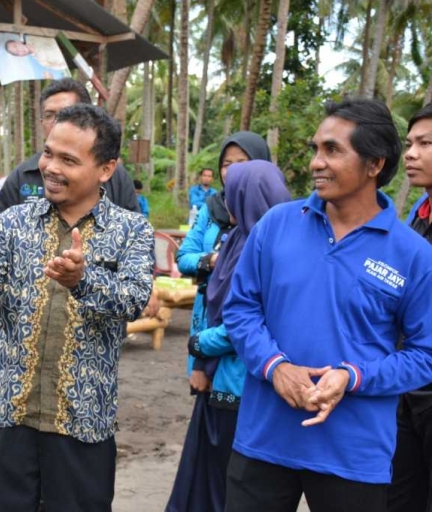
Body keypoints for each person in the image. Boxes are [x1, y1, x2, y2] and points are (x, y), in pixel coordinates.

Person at [222, 98, 432, 512]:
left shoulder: (413, 254)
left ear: (375, 164)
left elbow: (425, 356)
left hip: (354, 456)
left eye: (333, 150)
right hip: (264, 441)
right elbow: (241, 308)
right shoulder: (276, 225)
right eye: (316, 148)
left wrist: (353, 377)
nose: (317, 162)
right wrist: (275, 367)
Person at [0, 104, 154, 511]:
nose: (51, 168)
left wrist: (82, 280)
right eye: (48, 153)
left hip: (82, 419)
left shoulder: (132, 230)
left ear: (106, 169)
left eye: (68, 160)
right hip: (8, 412)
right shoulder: (14, 222)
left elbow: (133, 300)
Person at [165, 161, 290, 512]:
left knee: (229, 480)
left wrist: (199, 346)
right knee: (206, 475)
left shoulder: (265, 250)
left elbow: (245, 322)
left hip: (242, 385)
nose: (227, 201)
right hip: (220, 376)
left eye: (234, 194)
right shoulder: (235, 239)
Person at [176, 132, 270, 401]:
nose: (233, 171)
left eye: (242, 162)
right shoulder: (212, 207)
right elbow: (184, 257)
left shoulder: (270, 216)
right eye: (227, 164)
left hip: (237, 342)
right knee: (205, 402)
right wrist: (213, 260)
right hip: (206, 317)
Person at [0, 78, 139, 220]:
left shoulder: (116, 178)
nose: (58, 123)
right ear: (41, 122)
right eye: (49, 115)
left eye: (68, 114)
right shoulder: (21, 177)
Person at [388, 103, 432, 512]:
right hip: (412, 386)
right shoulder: (419, 215)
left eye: (425, 144)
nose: (411, 154)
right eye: (409, 144)